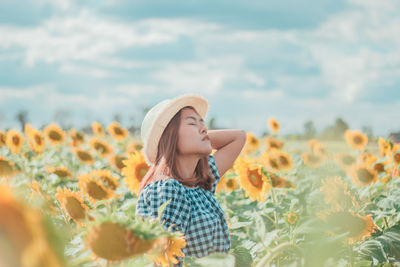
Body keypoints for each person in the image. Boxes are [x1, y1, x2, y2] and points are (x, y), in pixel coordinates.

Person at [135, 94, 246, 266]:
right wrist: (187, 139)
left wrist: (199, 135)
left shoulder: (200, 184)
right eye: (192, 123)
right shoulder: (168, 189)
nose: (203, 129)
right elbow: (165, 259)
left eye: (203, 123)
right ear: (170, 136)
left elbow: (238, 137)